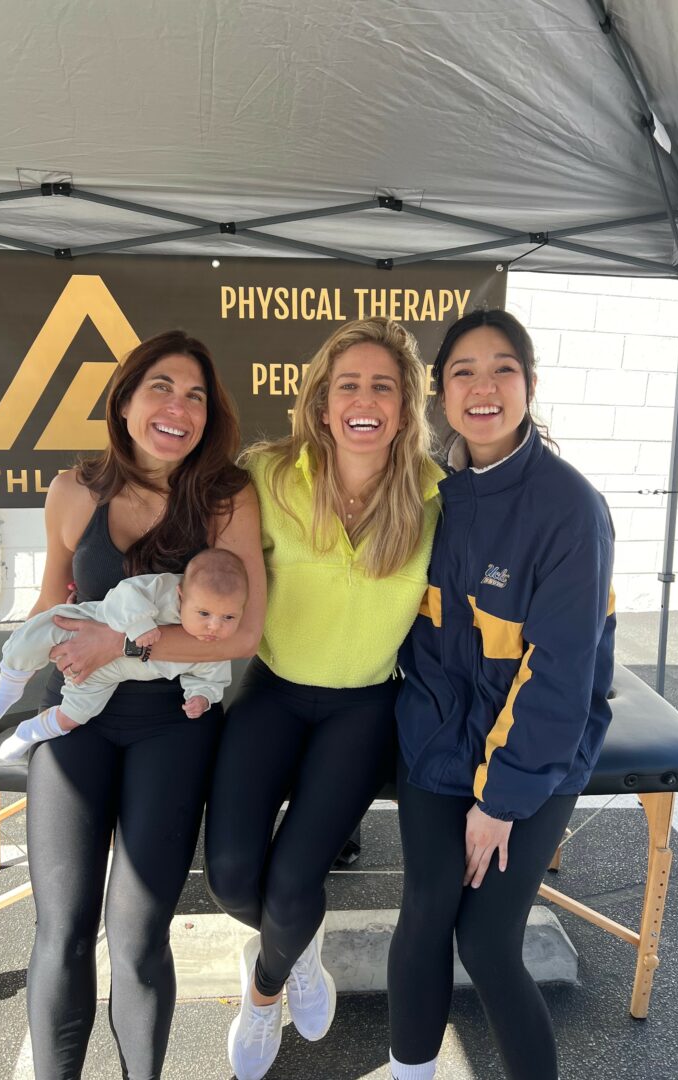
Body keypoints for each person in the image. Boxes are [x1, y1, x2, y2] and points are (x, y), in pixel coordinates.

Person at [0, 330, 266, 1080]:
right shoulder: (74, 489)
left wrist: (125, 647)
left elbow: (242, 634)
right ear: (124, 400)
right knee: (62, 930)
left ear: (209, 417)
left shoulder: (226, 499)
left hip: (171, 725)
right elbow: (48, 609)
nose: (178, 407)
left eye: (196, 396)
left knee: (139, 936)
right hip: (76, 717)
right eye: (161, 387)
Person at [203, 317, 444, 1080]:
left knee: (292, 883)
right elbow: (209, 577)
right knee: (231, 876)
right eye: (349, 385)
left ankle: (265, 989)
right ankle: (299, 948)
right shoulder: (268, 475)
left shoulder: (436, 495)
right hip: (272, 692)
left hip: (362, 709)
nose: (364, 400)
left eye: (383, 386)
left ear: (404, 408)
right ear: (321, 401)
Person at [386, 309, 616, 1080]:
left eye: (502, 370)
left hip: (532, 759)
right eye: (464, 372)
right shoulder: (428, 492)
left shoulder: (570, 508)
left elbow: (561, 675)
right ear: (440, 392)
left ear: (530, 384)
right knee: (425, 914)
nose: (483, 387)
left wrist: (500, 801)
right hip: (435, 741)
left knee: (486, 941)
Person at [0, 547, 247, 762]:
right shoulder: (165, 589)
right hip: (89, 626)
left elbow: (210, 677)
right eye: (204, 613)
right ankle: (5, 692)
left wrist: (201, 697)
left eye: (229, 617)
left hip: (109, 674)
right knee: (38, 633)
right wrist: (139, 625)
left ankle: (30, 731)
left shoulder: (214, 647)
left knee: (76, 714)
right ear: (182, 595)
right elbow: (125, 594)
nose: (214, 627)